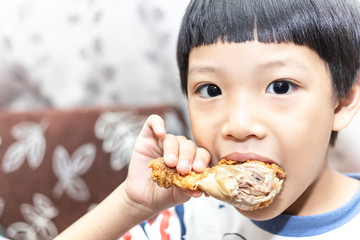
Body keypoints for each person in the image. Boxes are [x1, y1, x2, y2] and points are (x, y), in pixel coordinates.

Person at [55, 0, 360, 239]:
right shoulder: (186, 223)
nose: (238, 125)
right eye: (211, 90)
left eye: (280, 87)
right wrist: (130, 204)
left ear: (342, 101)